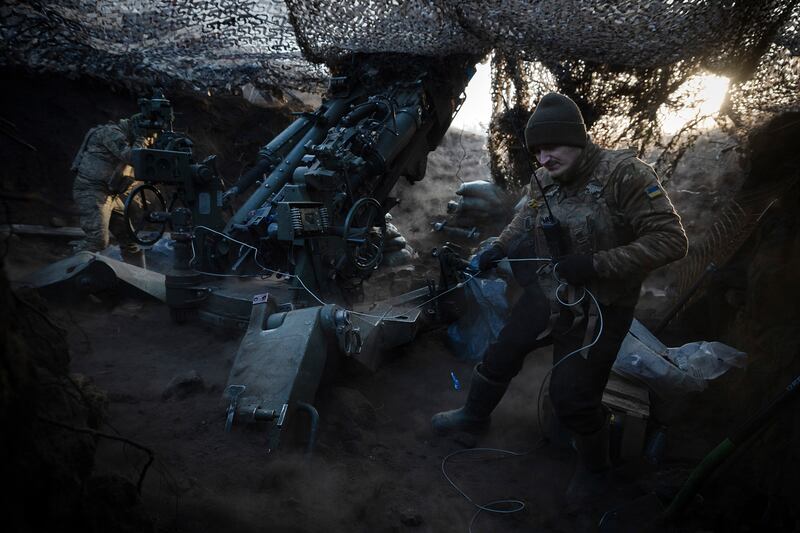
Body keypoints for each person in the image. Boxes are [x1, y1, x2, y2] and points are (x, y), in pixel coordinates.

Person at [431, 92, 688, 503]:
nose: (544, 159)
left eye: (551, 147)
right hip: (548, 293)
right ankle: (473, 416)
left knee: (573, 398)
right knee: (501, 354)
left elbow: (672, 241)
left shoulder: (625, 174)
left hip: (601, 308)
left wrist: (597, 263)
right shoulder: (543, 179)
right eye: (537, 151)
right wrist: (497, 247)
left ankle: (595, 471)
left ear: (577, 140)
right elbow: (527, 217)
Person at [71, 115, 147, 267]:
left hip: (109, 194)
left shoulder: (129, 139)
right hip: (90, 190)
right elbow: (132, 157)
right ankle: (67, 272)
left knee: (130, 241)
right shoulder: (111, 133)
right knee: (97, 241)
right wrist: (142, 137)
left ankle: (140, 279)